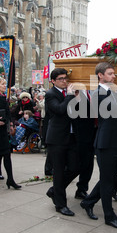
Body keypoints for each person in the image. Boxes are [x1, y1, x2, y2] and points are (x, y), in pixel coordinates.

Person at [80, 62, 117, 229]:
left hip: (115, 142)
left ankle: (88, 202)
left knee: (108, 179)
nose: (114, 76)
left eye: (114, 73)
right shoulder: (98, 93)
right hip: (106, 144)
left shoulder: (111, 92)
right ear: (100, 75)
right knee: (108, 181)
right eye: (110, 73)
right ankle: (109, 216)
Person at [44, 68, 80, 216]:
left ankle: (55, 190)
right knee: (58, 172)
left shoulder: (69, 94)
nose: (64, 81)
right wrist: (70, 96)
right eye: (61, 79)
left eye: (65, 78)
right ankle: (60, 204)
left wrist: (77, 99)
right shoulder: (51, 94)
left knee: (75, 167)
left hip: (70, 136)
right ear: (53, 81)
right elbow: (59, 110)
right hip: (57, 138)